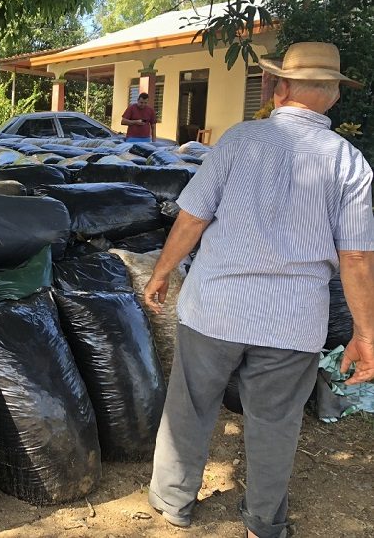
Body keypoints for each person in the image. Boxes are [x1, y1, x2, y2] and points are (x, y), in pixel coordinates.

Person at [142, 41, 374, 538]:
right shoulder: (349, 162)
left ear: (280, 87)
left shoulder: (239, 140)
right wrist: (365, 334)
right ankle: (264, 524)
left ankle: (173, 502)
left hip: (215, 309)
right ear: (332, 95)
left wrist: (162, 272)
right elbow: (356, 255)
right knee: (275, 423)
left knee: (191, 405)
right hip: (294, 321)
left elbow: (193, 216)